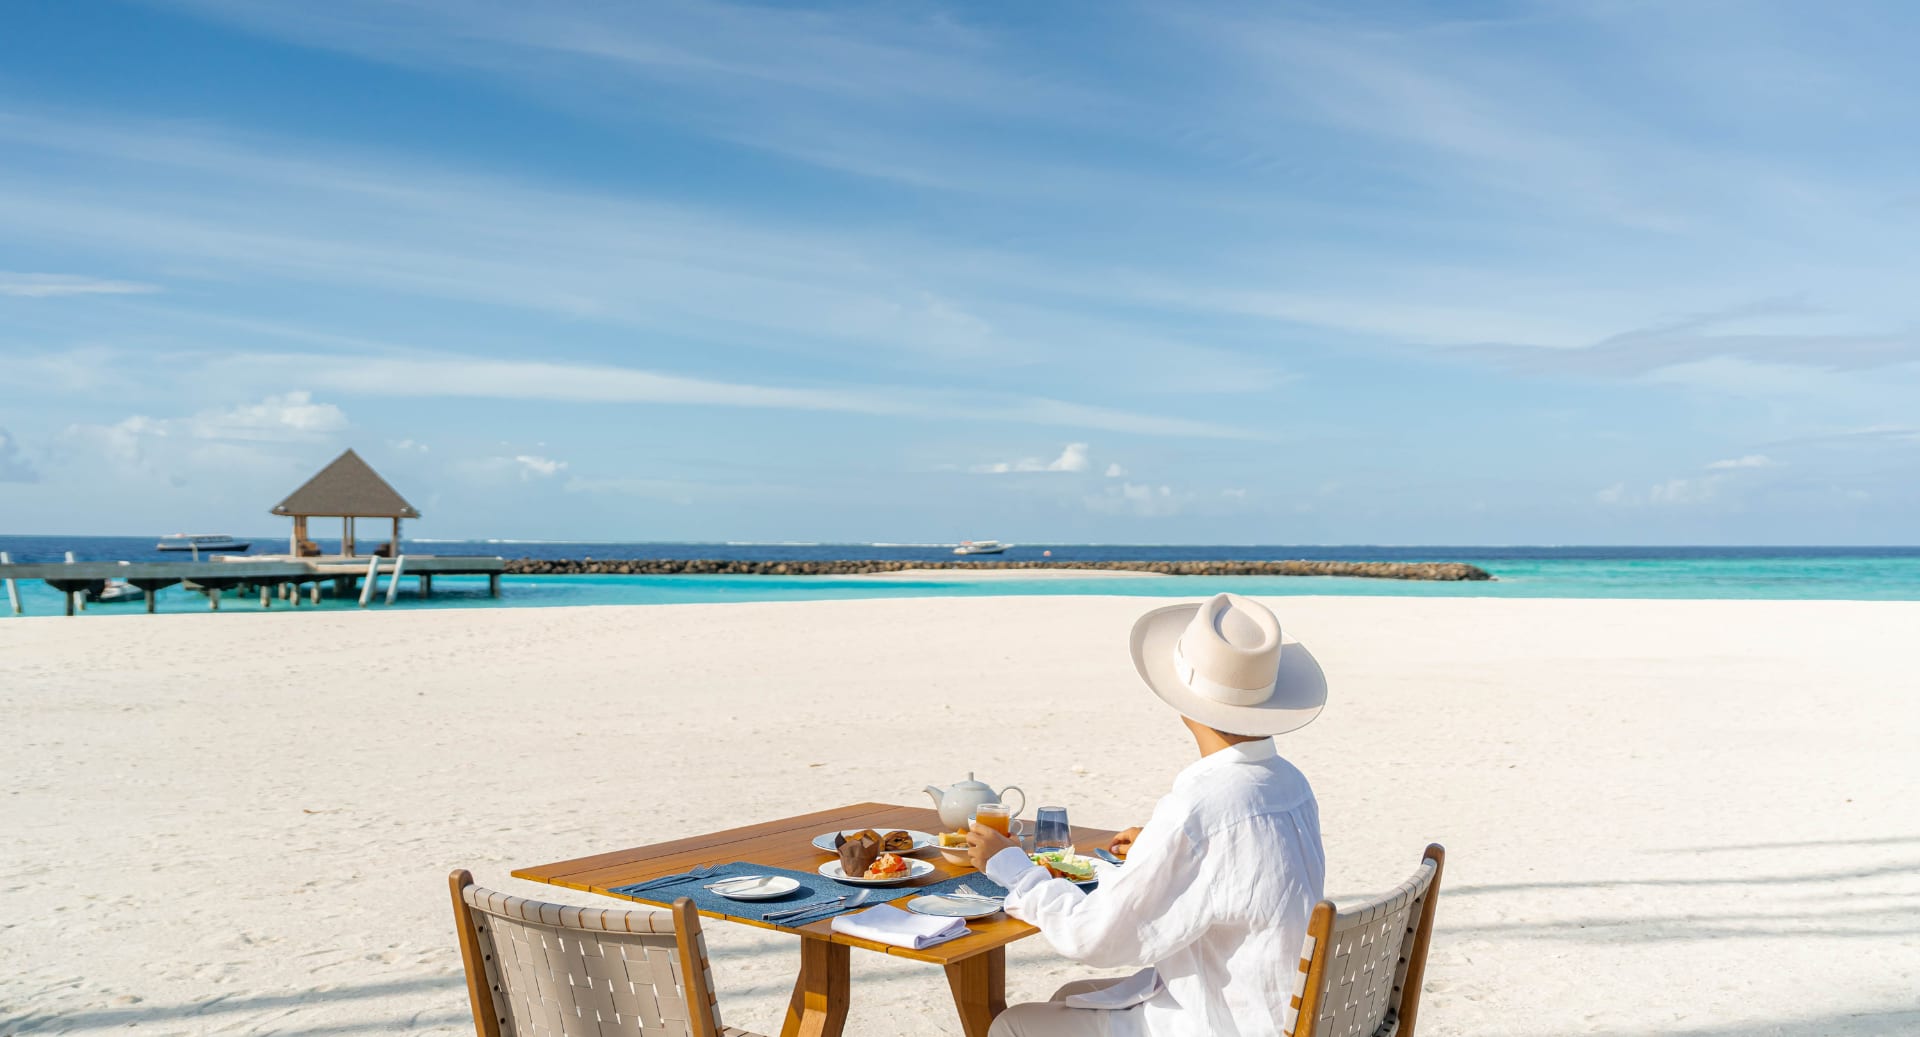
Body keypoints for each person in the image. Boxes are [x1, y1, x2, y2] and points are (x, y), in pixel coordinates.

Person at [968, 593, 1329, 1037]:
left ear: (1185, 705)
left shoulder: (1201, 802)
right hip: (1273, 1005)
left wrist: (1012, 868)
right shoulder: (1290, 782)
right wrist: (1158, 845)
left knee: (1012, 1024)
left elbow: (1094, 938)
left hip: (1225, 1019)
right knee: (1070, 996)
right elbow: (1241, 868)